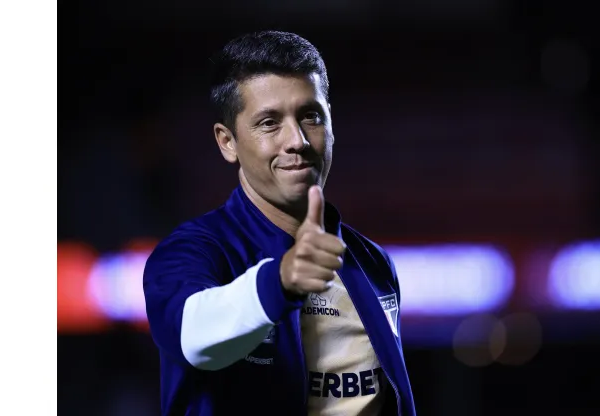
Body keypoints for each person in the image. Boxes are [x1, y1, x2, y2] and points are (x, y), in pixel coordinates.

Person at [143, 31, 416, 416]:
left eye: (311, 116)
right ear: (227, 142)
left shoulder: (371, 261)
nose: (298, 140)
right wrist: (280, 282)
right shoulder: (192, 251)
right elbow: (195, 336)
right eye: (269, 123)